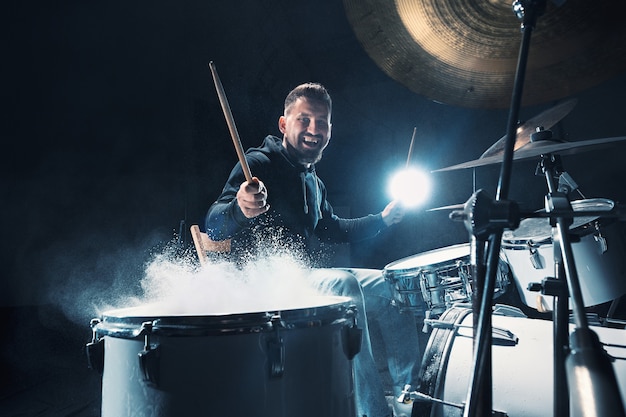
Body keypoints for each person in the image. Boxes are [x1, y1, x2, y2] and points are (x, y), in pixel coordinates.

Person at [205, 82, 424, 417]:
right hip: (261, 286)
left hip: (303, 280)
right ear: (284, 124)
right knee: (343, 286)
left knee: (394, 284)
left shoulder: (312, 180)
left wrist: (382, 219)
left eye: (321, 122)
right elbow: (213, 225)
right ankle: (370, 412)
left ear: (330, 130)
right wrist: (239, 207)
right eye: (304, 120)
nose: (313, 129)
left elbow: (331, 228)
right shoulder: (259, 163)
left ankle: (410, 403)